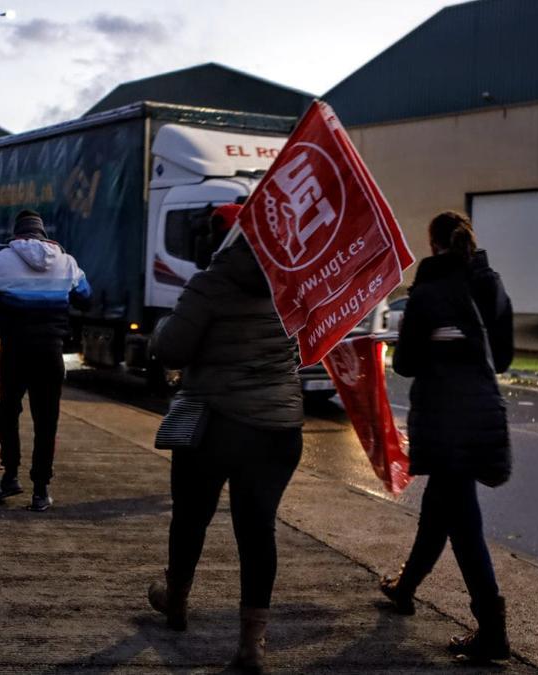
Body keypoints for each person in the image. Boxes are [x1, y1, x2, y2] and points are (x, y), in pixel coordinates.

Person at [145, 203, 302, 674]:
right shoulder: (290, 286)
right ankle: (252, 646)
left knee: (191, 518)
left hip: (215, 423)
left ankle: (176, 603)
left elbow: (172, 348)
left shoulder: (209, 284)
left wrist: (157, 332)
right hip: (279, 429)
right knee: (258, 533)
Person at [380, 211, 514, 663]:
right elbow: (504, 358)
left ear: (433, 243)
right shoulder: (490, 284)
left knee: (464, 526)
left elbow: (406, 364)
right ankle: (404, 588)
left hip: (444, 417)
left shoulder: (429, 289)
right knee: (440, 510)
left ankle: (493, 632)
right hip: (483, 412)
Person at [0, 209, 91, 512]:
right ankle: (41, 490)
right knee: (46, 421)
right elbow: (86, 296)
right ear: (43, 234)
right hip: (50, 352)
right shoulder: (67, 261)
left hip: (15, 351)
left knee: (8, 412)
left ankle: (9, 476)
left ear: (17, 234)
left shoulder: (3, 259)